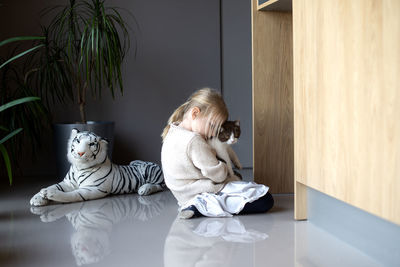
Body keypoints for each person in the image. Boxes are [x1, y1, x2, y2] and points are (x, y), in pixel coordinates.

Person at [161, 88, 274, 219]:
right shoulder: (194, 141)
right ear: (195, 113)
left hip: (182, 195)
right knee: (265, 198)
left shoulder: (172, 131)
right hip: (200, 193)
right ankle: (200, 206)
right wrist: (221, 163)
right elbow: (218, 175)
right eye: (212, 126)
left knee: (247, 188)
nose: (214, 133)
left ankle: (198, 205)